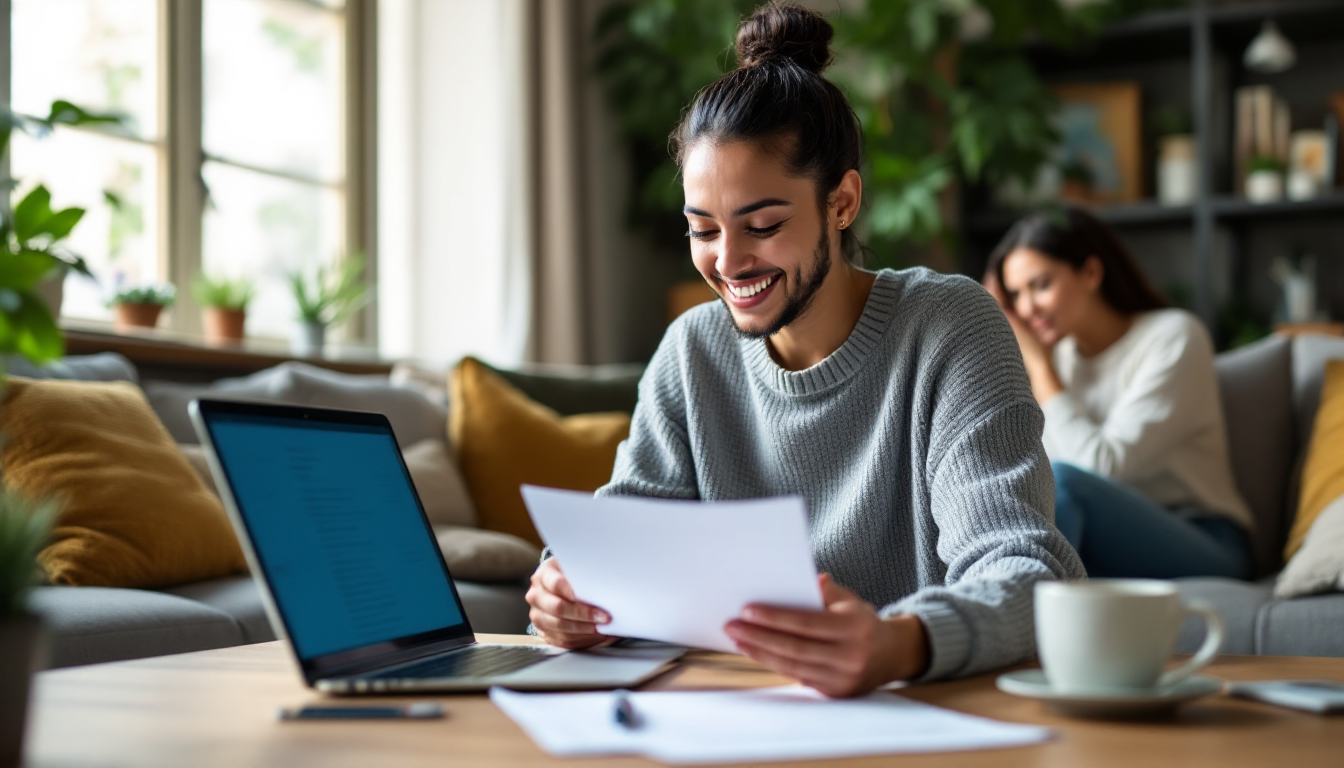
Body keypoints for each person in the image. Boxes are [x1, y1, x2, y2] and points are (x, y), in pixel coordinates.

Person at [526, 1, 1084, 698]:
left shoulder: (949, 326)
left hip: (924, 714)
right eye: (703, 229)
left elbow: (1028, 568)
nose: (728, 262)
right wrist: (571, 596)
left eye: (762, 224)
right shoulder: (690, 352)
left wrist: (899, 643)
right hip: (735, 714)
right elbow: (618, 542)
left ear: (842, 202)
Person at [985, 207, 1253, 579]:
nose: (1027, 309)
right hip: (1092, 538)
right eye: (1015, 295)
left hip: (1203, 538)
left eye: (1041, 285)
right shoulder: (1057, 356)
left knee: (1064, 483)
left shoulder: (1173, 337)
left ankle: (1011, 622)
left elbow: (1099, 470)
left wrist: (1040, 368)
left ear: (1091, 273)